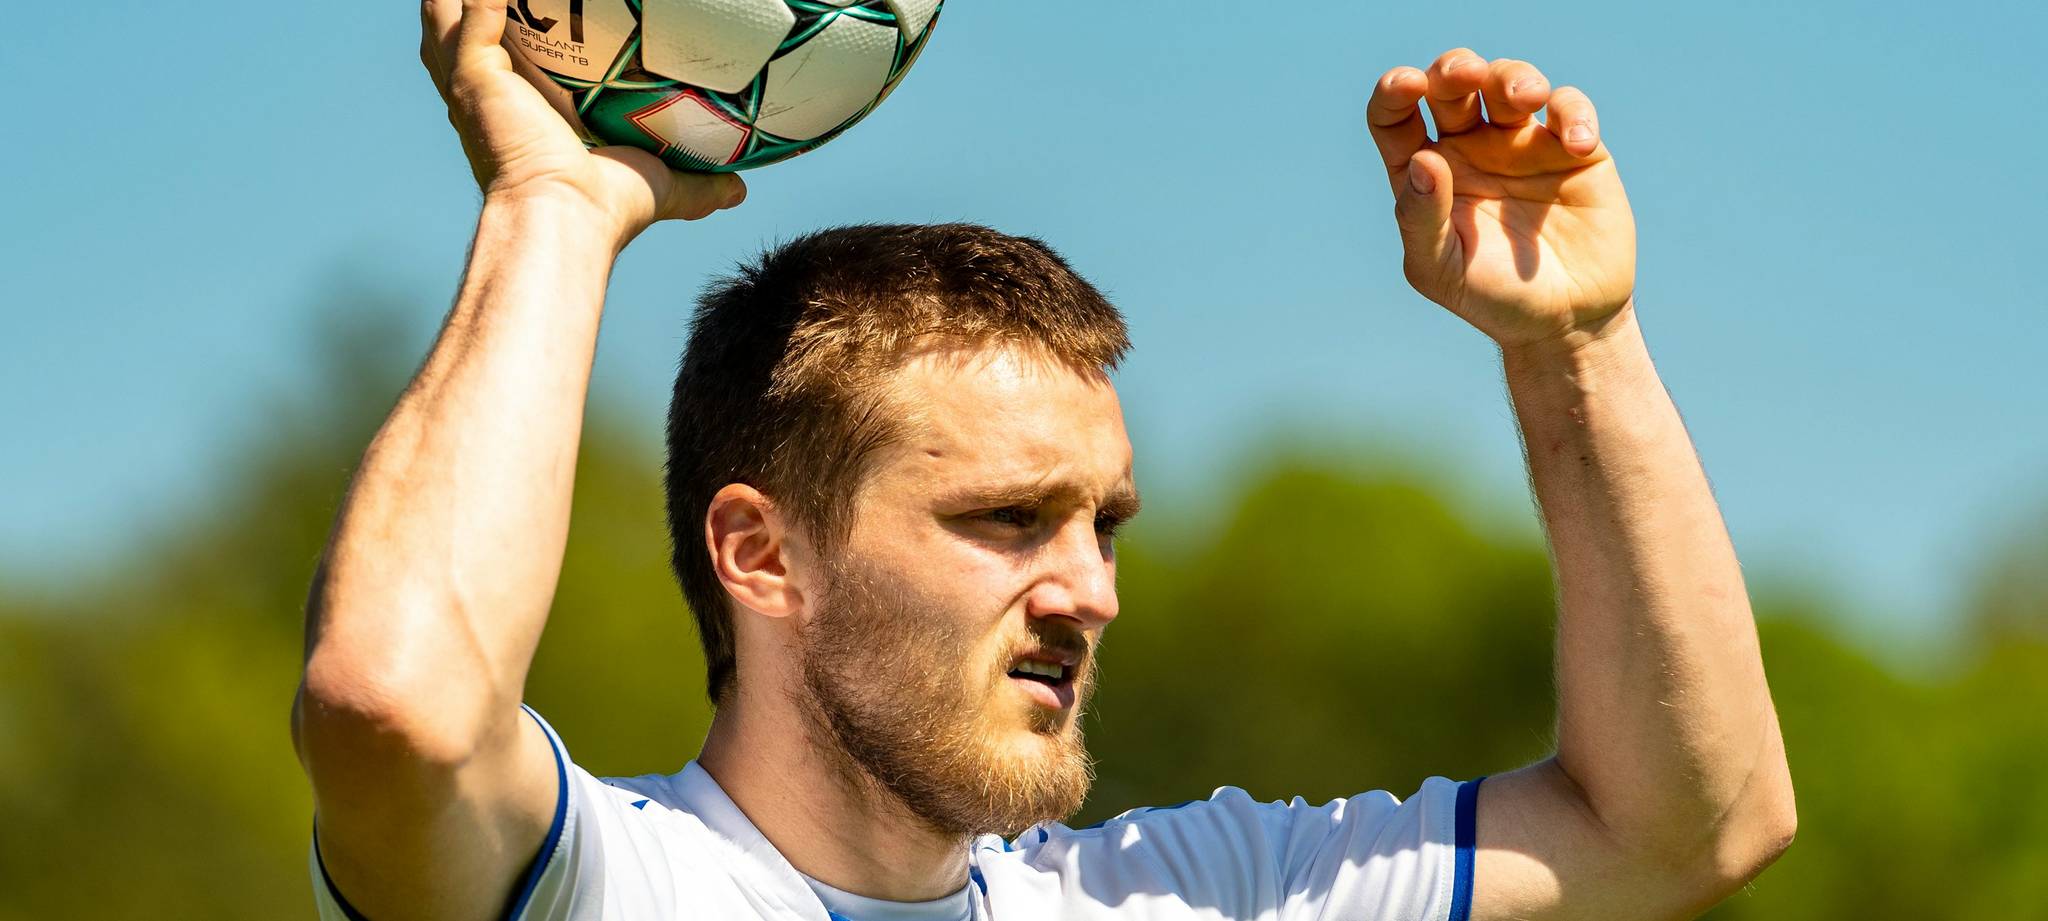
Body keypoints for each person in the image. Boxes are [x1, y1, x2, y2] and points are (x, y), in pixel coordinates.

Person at [291, 1, 1796, 918]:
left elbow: (1690, 824)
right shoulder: (599, 885)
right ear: (761, 553)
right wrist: (554, 208)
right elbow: (394, 703)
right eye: (1009, 519)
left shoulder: (1188, 900)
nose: (1090, 591)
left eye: (1103, 524)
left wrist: (1578, 341)